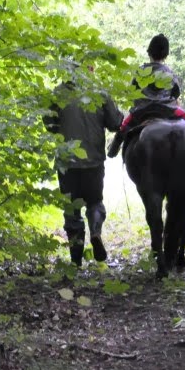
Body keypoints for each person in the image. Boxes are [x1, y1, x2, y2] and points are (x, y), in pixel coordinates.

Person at [44, 66, 123, 266]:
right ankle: (95, 232)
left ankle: (76, 261)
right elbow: (115, 123)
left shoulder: (58, 93)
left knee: (72, 210)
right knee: (95, 202)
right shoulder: (100, 93)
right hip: (93, 161)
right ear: (89, 70)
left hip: (67, 164)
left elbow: (49, 124)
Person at [107, 33, 185, 158]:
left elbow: (132, 92)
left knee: (123, 129)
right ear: (166, 54)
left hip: (142, 112)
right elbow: (176, 93)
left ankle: (113, 149)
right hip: (167, 111)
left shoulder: (141, 71)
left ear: (149, 52)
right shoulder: (169, 72)